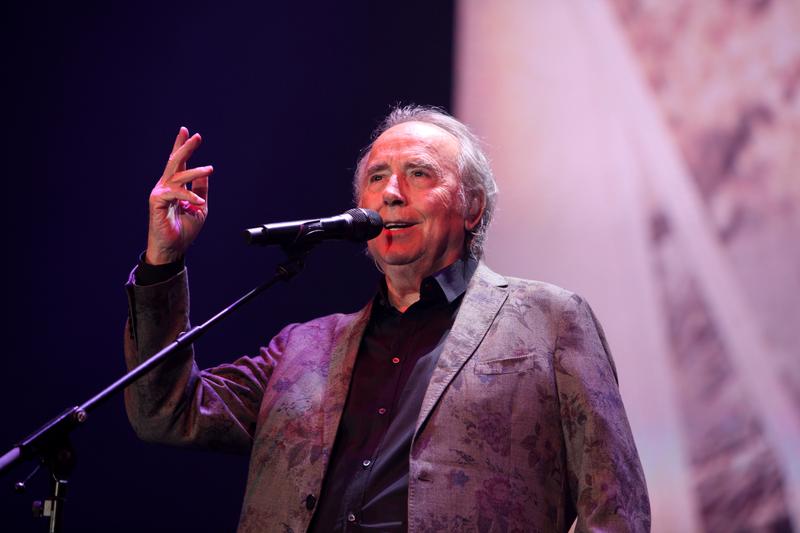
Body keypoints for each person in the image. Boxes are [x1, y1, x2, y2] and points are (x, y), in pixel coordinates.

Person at [124, 106, 651, 532]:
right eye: (378, 177)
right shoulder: (303, 348)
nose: (392, 192)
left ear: (472, 208)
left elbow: (615, 507)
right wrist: (162, 261)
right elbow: (166, 411)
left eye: (418, 173)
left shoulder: (550, 320)